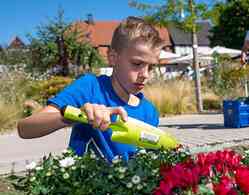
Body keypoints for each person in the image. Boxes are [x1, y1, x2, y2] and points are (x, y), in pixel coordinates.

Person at [17, 17, 164, 162]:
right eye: (137, 63)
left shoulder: (150, 113)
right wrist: (75, 115)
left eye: (151, 67)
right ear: (113, 57)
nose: (145, 75)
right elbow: (25, 128)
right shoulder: (89, 87)